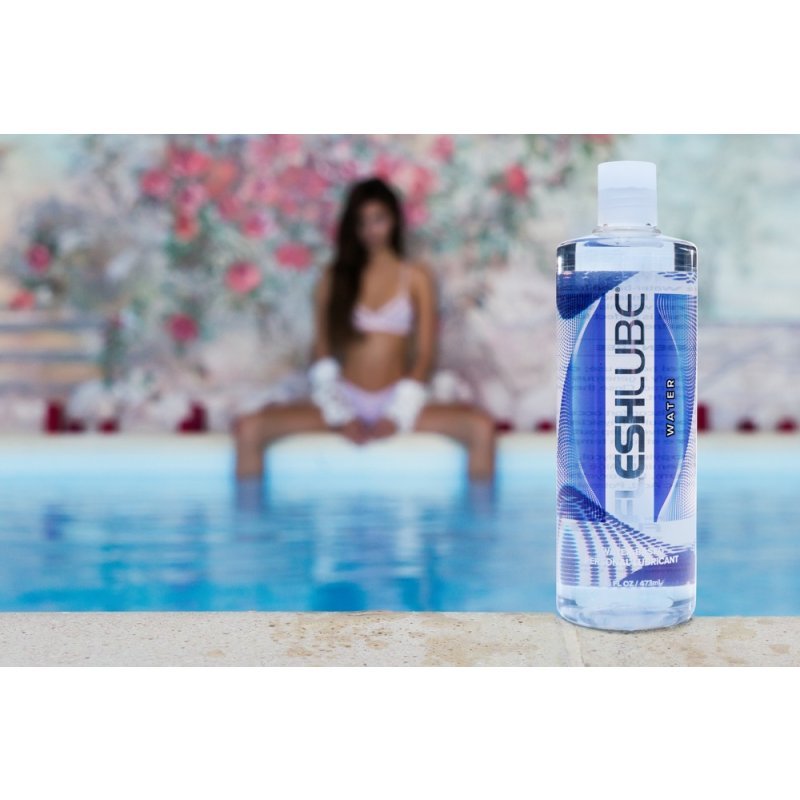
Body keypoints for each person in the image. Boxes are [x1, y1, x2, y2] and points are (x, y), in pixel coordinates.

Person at [233, 176, 496, 481]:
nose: (371, 230)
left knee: (481, 428)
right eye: (362, 222)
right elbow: (321, 351)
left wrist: (399, 412)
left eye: (379, 219)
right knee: (250, 429)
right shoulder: (335, 277)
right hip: (345, 398)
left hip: (396, 398)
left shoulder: (415, 276)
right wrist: (340, 413)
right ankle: (250, 513)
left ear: (394, 220)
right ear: (352, 227)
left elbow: (425, 354)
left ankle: (479, 512)